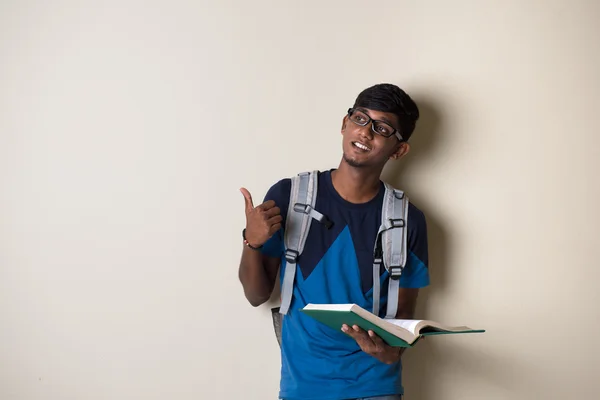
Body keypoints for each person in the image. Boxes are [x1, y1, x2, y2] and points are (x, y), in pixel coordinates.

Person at [238, 83, 430, 400]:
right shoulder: (290, 196)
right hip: (303, 388)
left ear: (398, 150)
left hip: (376, 387)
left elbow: (401, 322)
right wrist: (252, 242)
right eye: (360, 119)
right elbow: (256, 295)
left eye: (382, 128)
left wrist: (390, 352)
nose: (366, 133)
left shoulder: (409, 219)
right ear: (345, 124)